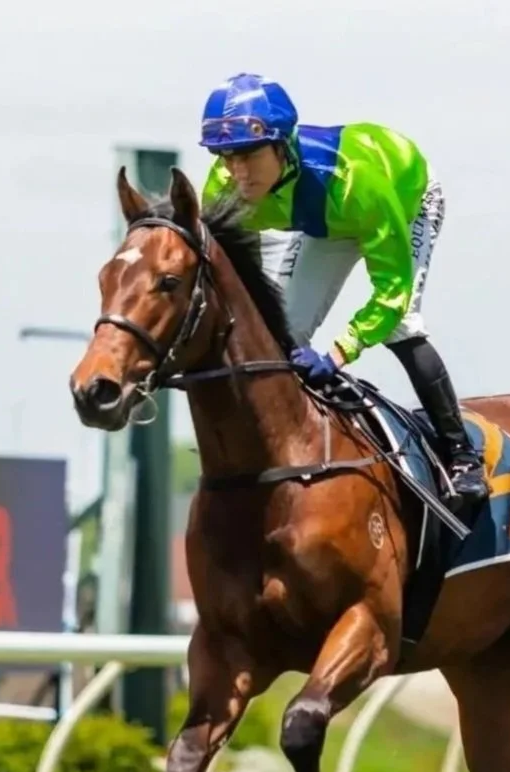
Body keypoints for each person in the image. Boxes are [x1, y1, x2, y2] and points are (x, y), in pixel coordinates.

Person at [198, 72, 489, 502]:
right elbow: (243, 284)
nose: (237, 172)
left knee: (401, 325)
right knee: (282, 333)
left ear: (281, 145)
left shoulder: (358, 185)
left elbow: (391, 294)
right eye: (226, 157)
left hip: (399, 200)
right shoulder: (223, 189)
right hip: (325, 221)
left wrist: (337, 355)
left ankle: (462, 456)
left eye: (248, 155)